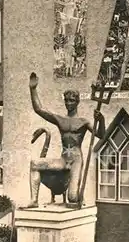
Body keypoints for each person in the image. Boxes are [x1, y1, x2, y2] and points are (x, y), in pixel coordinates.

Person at [26, 72, 105, 207]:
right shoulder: (60, 120)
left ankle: (77, 191)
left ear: (77, 102)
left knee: (73, 198)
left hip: (76, 160)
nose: (69, 103)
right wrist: (33, 89)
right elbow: (39, 109)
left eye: (72, 100)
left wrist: (101, 120)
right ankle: (34, 200)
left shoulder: (83, 122)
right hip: (63, 159)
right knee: (35, 163)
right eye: (67, 100)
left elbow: (101, 135)